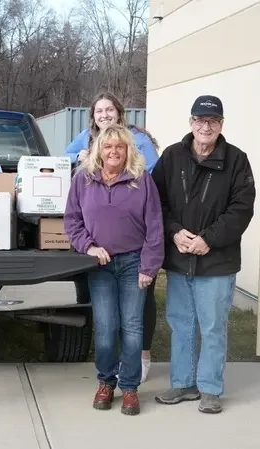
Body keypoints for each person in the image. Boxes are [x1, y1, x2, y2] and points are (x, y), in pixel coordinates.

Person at [152, 95, 256, 414]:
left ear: (221, 125)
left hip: (217, 260)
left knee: (212, 325)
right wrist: (174, 232)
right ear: (191, 122)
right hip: (181, 257)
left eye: (212, 121)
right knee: (181, 322)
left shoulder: (237, 160)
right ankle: (183, 384)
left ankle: (210, 387)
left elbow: (241, 209)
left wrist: (208, 239)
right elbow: (157, 202)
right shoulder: (171, 156)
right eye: (200, 120)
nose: (205, 126)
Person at [63, 124, 164, 416]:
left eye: (120, 146)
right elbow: (72, 221)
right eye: (108, 146)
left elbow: (155, 226)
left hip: (134, 263)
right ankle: (106, 382)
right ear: (98, 150)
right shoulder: (83, 180)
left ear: (128, 150)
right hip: (100, 265)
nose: (114, 151)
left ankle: (130, 388)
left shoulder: (141, 180)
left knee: (132, 328)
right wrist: (89, 246)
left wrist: (149, 266)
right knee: (106, 329)